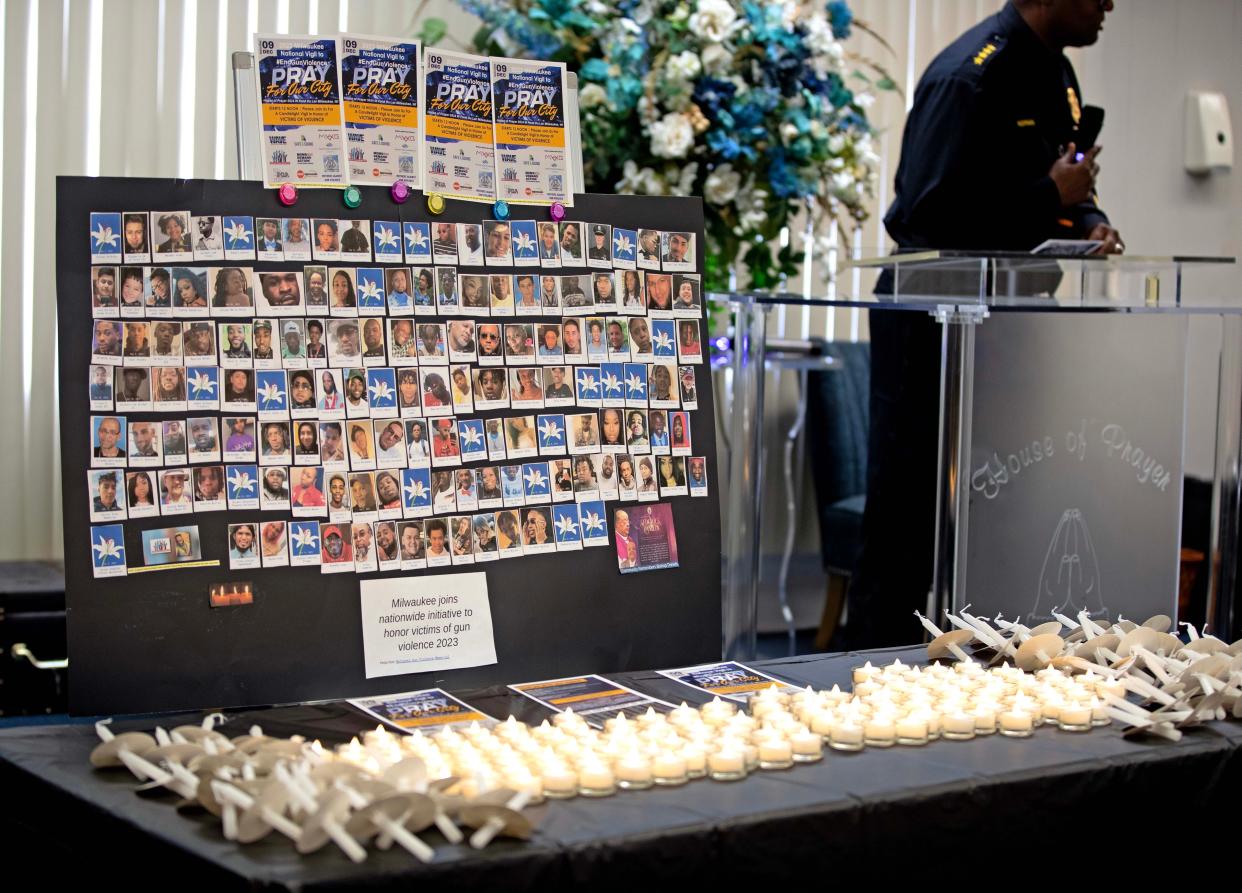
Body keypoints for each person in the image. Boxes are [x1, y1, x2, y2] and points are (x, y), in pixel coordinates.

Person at [851, 0, 1121, 649]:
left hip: (1015, 322)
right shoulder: (969, 75)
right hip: (934, 322)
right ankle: (870, 674)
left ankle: (986, 665)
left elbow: (1061, 181)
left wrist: (1085, 220)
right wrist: (1049, 198)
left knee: (1003, 509)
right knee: (910, 519)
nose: (1111, 3)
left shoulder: (1058, 74)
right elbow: (927, 209)